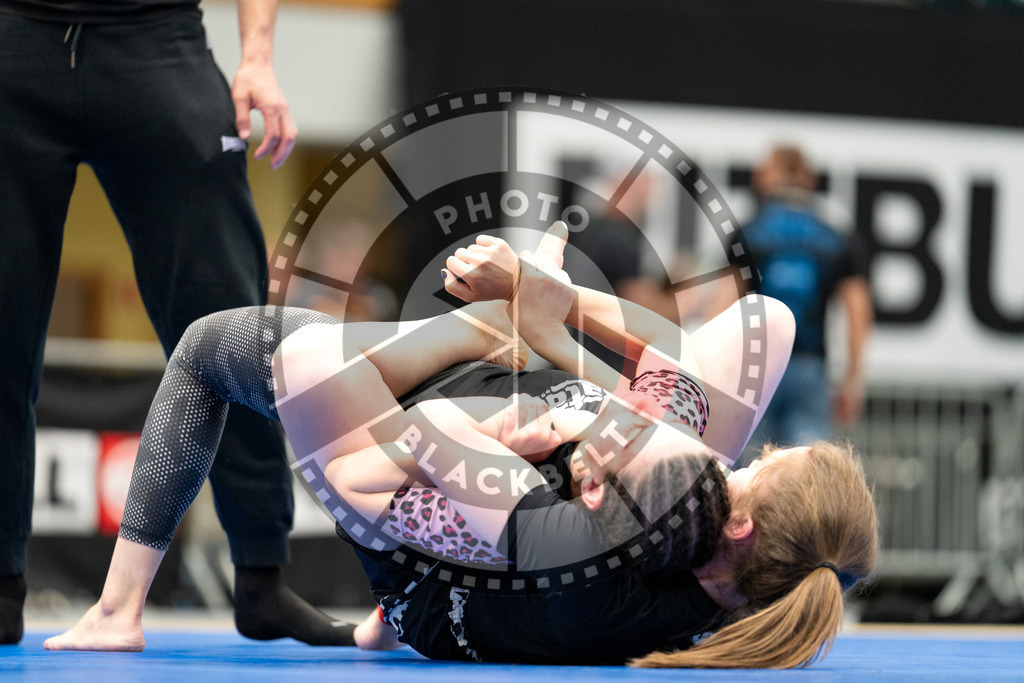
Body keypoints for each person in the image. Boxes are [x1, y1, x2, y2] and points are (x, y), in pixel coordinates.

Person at [45, 225, 878, 668]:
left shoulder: (576, 551)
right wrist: (554, 318)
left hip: (429, 549)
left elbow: (377, 459)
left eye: (765, 465)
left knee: (239, 350)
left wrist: (467, 335)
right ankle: (528, 325)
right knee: (770, 325)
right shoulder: (742, 572)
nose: (753, 452)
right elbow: (659, 397)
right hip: (516, 486)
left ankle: (117, 610)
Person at [0, 0, 351, 647]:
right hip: (14, 38)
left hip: (156, 40)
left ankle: (261, 576)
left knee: (231, 323)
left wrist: (257, 57)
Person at [718, 145, 873, 461]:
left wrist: (717, 372)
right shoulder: (834, 235)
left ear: (767, 177)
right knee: (805, 470)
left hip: (754, 367)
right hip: (809, 365)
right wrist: (853, 380)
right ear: (809, 180)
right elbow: (858, 312)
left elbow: (724, 307)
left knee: (747, 468)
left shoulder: (750, 232)